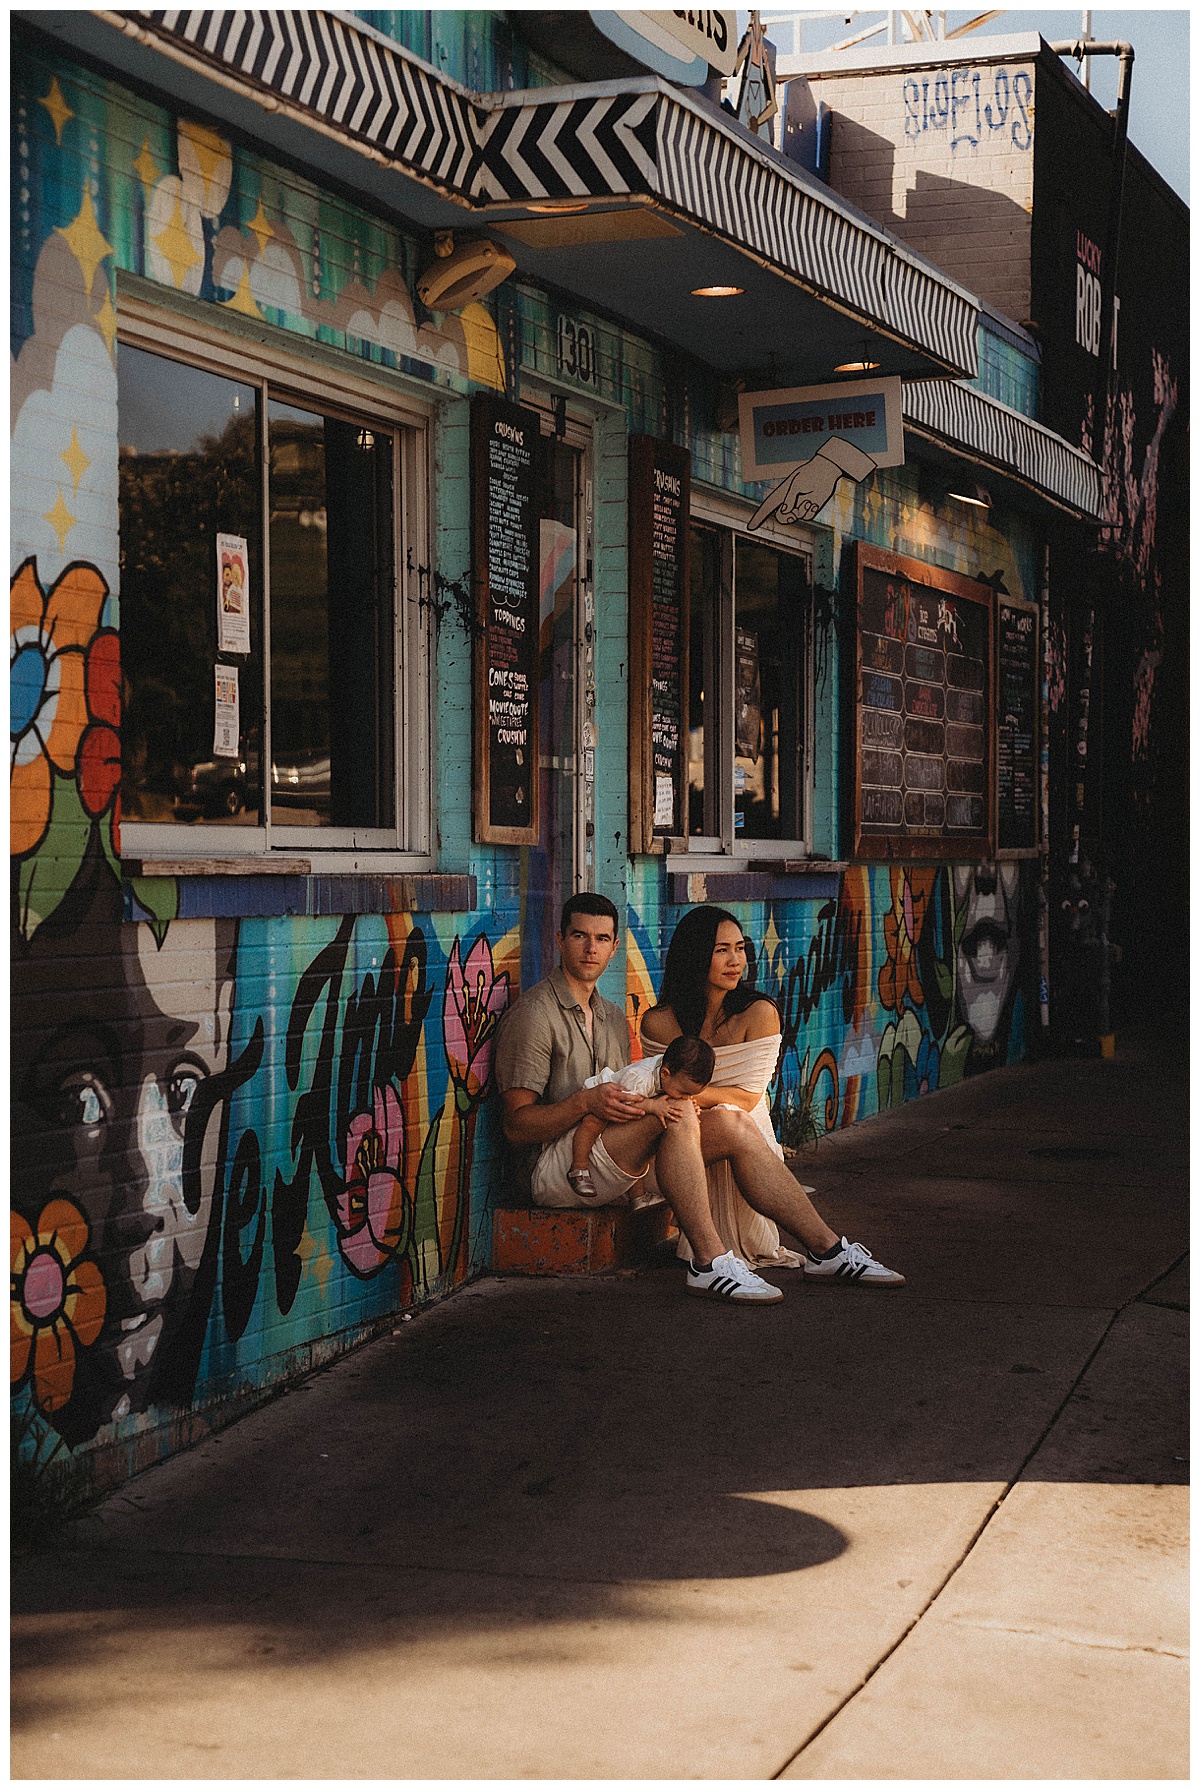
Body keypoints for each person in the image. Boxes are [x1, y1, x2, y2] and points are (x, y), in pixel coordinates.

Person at [641, 905, 905, 1288]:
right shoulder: (659, 1021)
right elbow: (655, 1087)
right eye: (721, 950)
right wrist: (688, 1100)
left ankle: (828, 1250)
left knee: (735, 1118)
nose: (736, 961)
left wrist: (693, 1096)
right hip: (668, 1141)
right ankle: (825, 1251)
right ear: (695, 956)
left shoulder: (758, 1013)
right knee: (706, 1119)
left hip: (738, 1131)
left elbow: (747, 1099)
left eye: (740, 948)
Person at [568, 1034, 716, 1199]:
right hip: (605, 1099)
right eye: (683, 1093)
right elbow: (620, 1103)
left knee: (644, 1145)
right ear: (665, 1073)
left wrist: (690, 1106)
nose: (685, 1099)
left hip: (634, 1101)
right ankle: (578, 1168)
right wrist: (652, 1105)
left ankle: (638, 1197)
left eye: (691, 1095)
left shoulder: (672, 1074)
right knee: (592, 1124)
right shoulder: (639, 1079)